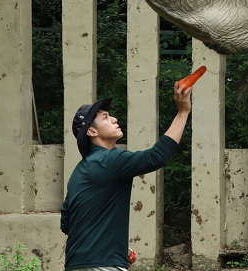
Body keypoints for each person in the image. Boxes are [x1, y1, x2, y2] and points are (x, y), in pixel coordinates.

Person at [60, 83, 192, 271]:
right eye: (105, 117)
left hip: (76, 264)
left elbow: (67, 223)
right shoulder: (109, 160)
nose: (114, 119)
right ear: (92, 131)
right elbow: (156, 157)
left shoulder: (79, 172)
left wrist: (112, 246)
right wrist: (182, 112)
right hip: (102, 266)